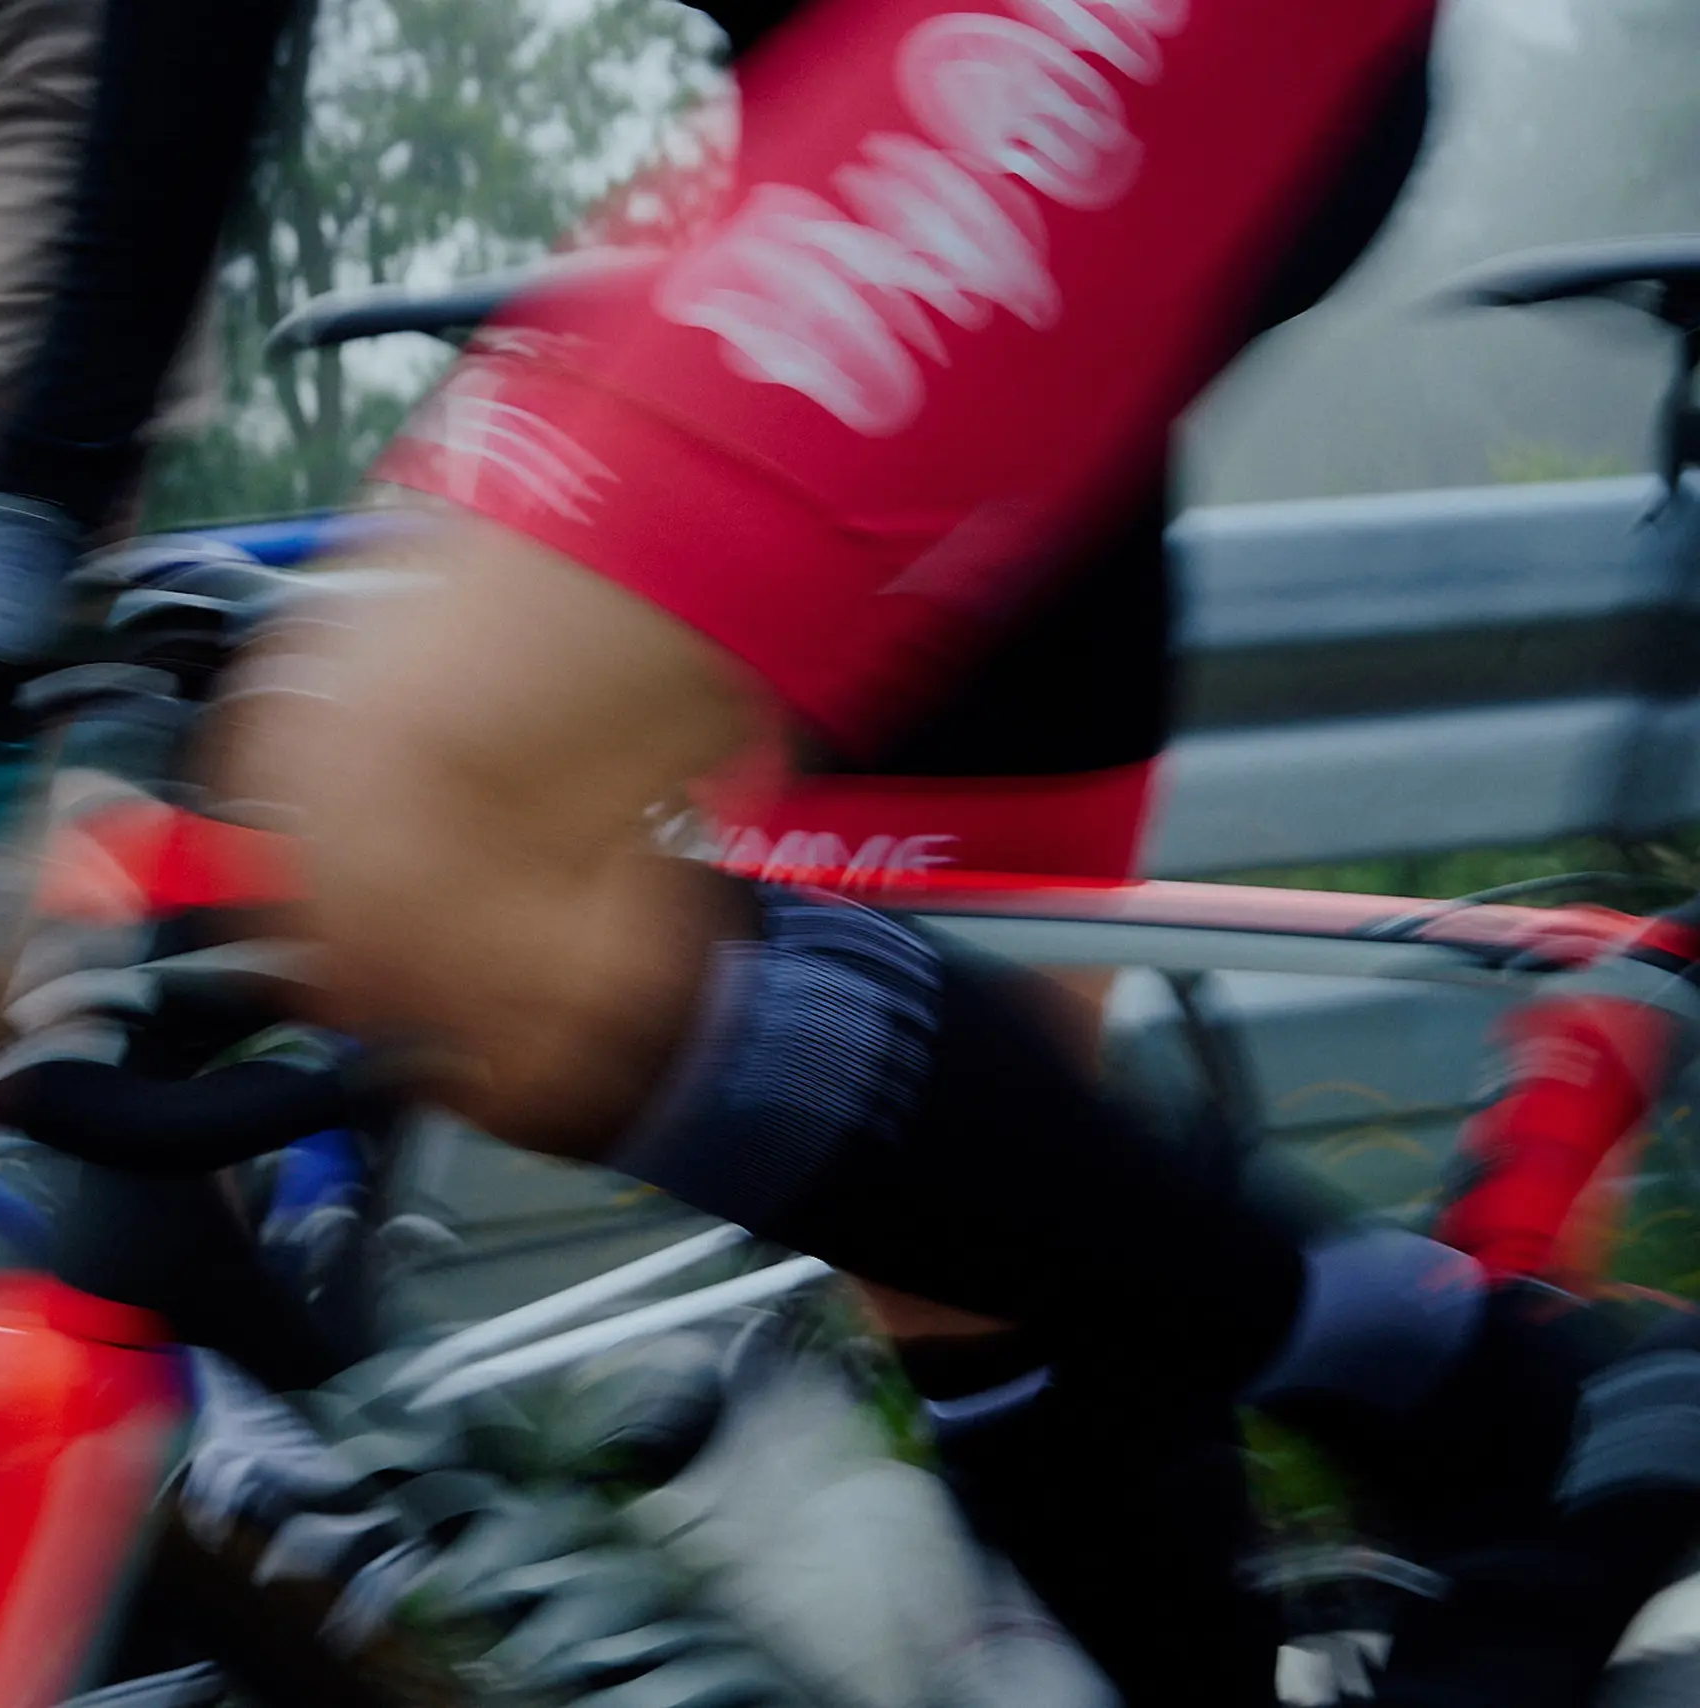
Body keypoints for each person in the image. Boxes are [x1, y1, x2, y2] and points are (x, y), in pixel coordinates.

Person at [214, 3, 1700, 1705]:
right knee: (968, 1251)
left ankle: (1480, 1386)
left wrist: (16, 470)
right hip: (852, 69)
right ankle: (1427, 1429)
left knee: (414, 832)